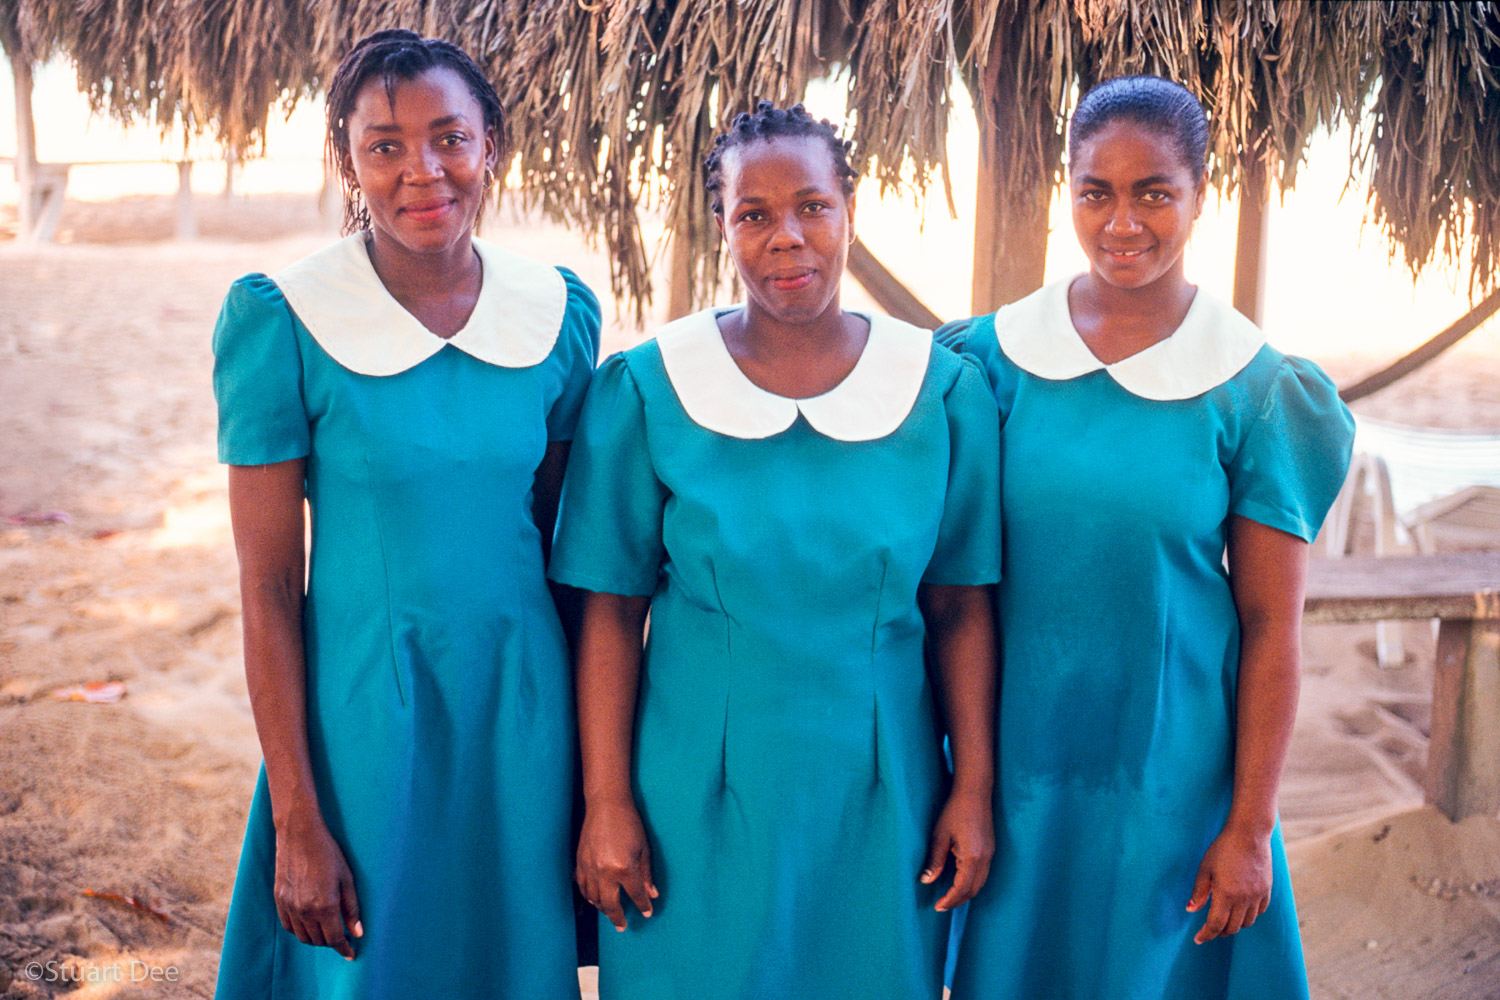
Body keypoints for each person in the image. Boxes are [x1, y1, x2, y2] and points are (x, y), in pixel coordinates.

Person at [547, 102, 1000, 1000]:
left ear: (850, 212)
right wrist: (606, 803)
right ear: (722, 225)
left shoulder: (942, 394)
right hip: (691, 795)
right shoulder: (650, 388)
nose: (786, 237)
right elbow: (610, 612)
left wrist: (973, 786)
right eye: (753, 214)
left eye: (812, 207)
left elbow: (960, 607)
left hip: (883, 793)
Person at [939, 75, 1355, 1000]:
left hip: (1173, 783)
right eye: (1097, 191)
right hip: (1017, 778)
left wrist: (1249, 827)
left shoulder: (1255, 389)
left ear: (1199, 196)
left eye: (1153, 192)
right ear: (1069, 190)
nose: (1122, 221)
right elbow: (953, 594)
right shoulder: (991, 362)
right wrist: (966, 778)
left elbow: (1270, 627)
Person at [211, 29, 600, 999]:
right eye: (383, 145)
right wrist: (299, 816)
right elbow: (266, 587)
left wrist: (599, 782)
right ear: (349, 160)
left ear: (490, 146)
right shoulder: (283, 320)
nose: (421, 170)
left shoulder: (555, 314)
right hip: (367, 721)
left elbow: (571, 556)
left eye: (448, 138)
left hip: (524, 717)